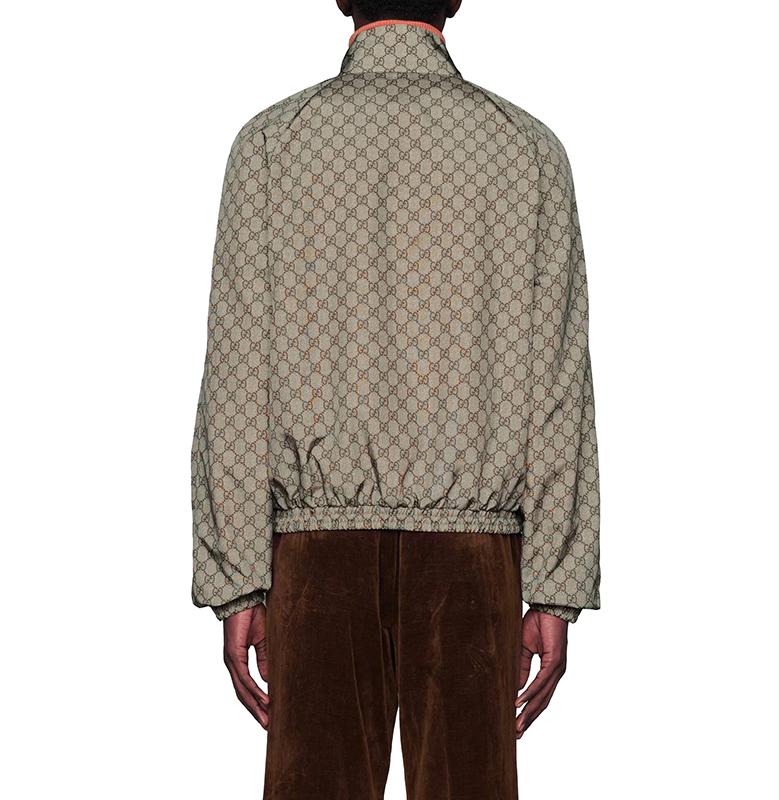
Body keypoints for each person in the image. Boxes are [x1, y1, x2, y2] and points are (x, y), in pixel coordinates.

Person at [190, 1, 601, 797]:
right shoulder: (526, 151)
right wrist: (555, 582)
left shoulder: (272, 144)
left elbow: (238, 372)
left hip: (315, 557)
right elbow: (557, 382)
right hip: (475, 557)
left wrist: (236, 577)